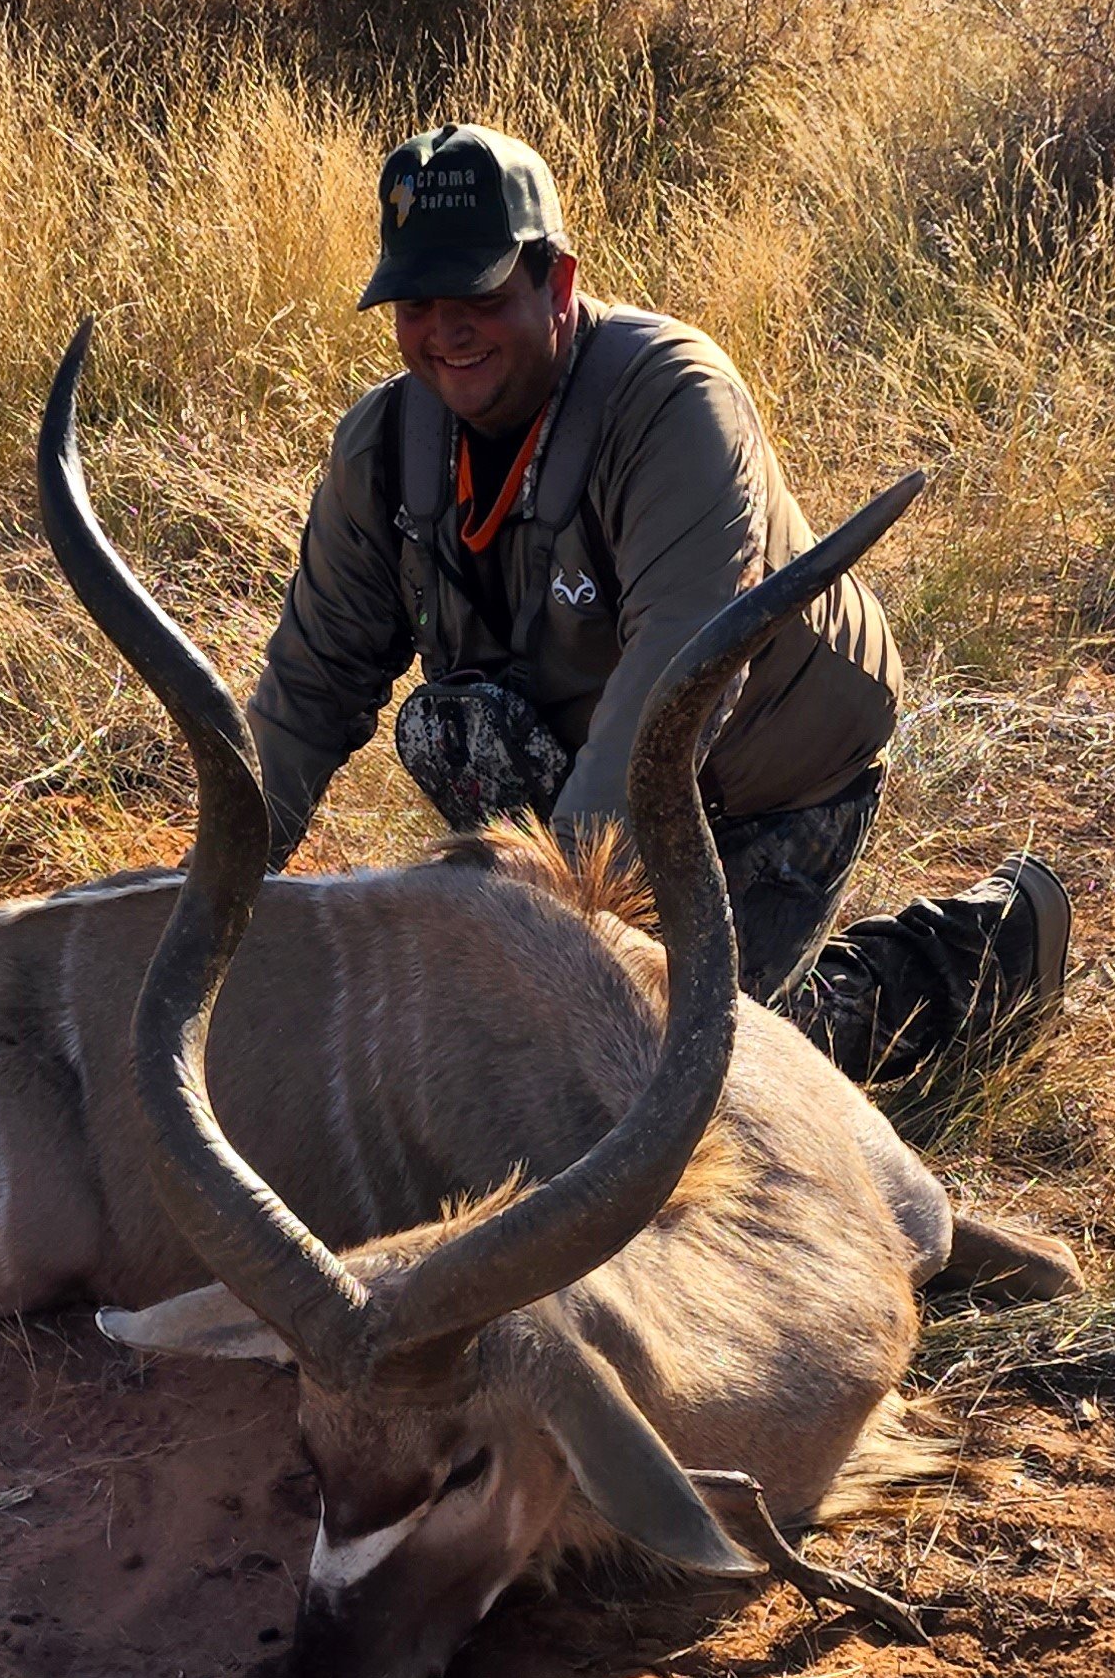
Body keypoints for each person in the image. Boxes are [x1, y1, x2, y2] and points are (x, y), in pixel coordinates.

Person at [245, 120, 1069, 1095]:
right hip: (591, 761)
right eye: (415, 303)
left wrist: (550, 957)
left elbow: (674, 690)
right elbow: (308, 688)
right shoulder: (383, 446)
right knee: (446, 738)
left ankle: (983, 950)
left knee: (683, 1078)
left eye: (477, 293)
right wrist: (208, 899)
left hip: (768, 775)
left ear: (555, 284)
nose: (445, 329)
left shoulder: (673, 401)